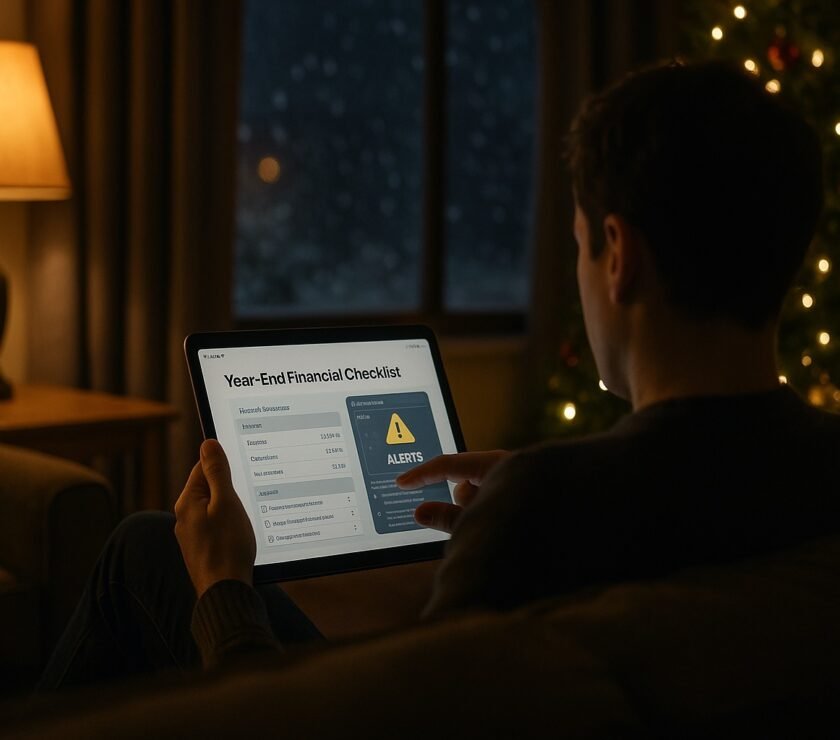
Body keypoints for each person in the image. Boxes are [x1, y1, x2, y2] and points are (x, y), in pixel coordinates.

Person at [37, 58, 840, 690]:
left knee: (149, 548)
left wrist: (221, 588)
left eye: (578, 244)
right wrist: (538, 489)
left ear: (618, 256)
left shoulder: (551, 509)